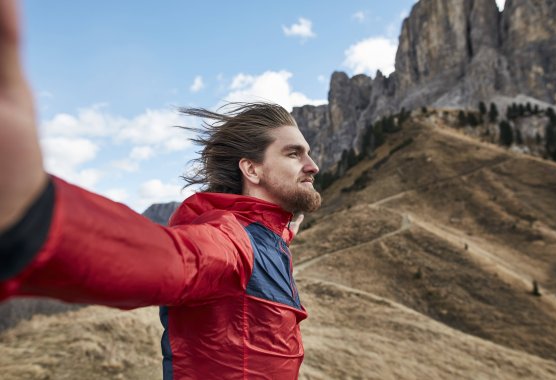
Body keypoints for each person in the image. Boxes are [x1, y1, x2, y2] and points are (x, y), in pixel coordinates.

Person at [0, 1, 322, 379]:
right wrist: (32, 220)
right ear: (251, 168)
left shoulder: (263, 239)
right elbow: (171, 261)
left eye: (308, 153)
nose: (312, 165)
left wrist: (281, 234)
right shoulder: (232, 242)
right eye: (293, 153)